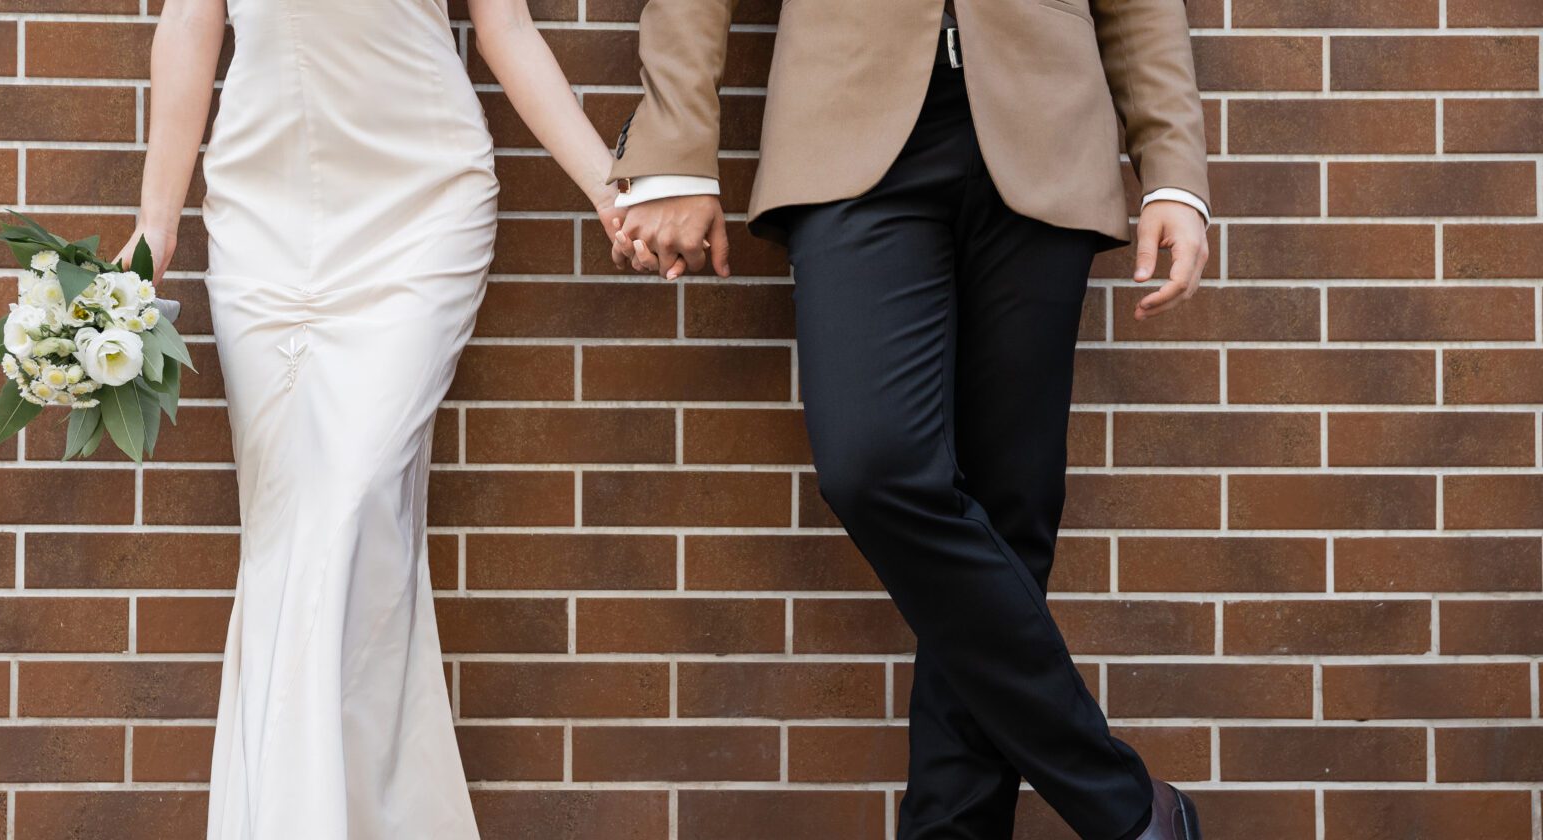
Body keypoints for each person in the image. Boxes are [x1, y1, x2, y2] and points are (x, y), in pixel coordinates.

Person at [609, 1, 1211, 839]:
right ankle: (1120, 800)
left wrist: (1174, 171)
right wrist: (676, 154)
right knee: (873, 467)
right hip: (847, 136)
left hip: (1048, 133)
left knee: (1010, 518)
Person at [114, 1, 626, 836]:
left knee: (351, 501)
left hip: (419, 205)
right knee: (290, 528)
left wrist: (610, 188)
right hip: (263, 215)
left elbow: (506, 28)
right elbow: (187, 27)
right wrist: (154, 228)